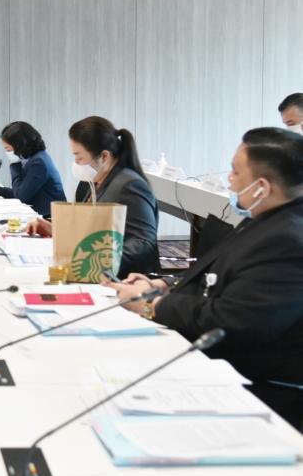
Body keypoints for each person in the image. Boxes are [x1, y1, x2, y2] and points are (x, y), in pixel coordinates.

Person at [107, 128, 303, 428]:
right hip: (219, 364)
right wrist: (163, 285)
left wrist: (151, 306)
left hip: (257, 392)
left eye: (235, 172)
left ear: (262, 188)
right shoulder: (267, 219)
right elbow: (219, 275)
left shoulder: (287, 239)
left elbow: (230, 321)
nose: (229, 180)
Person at [27, 116, 159, 278]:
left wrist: (94, 259)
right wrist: (56, 230)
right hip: (92, 273)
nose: (76, 163)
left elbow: (144, 244)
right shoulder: (93, 182)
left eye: (79, 157)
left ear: (104, 156)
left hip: (121, 278)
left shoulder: (129, 185)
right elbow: (91, 228)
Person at [0, 121, 66, 216]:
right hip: (42, 214)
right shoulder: (34, 158)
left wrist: (14, 164)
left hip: (51, 218)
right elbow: (22, 191)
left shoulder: (38, 162)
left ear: (20, 145)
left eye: (8, 149)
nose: (7, 152)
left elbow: (21, 196)